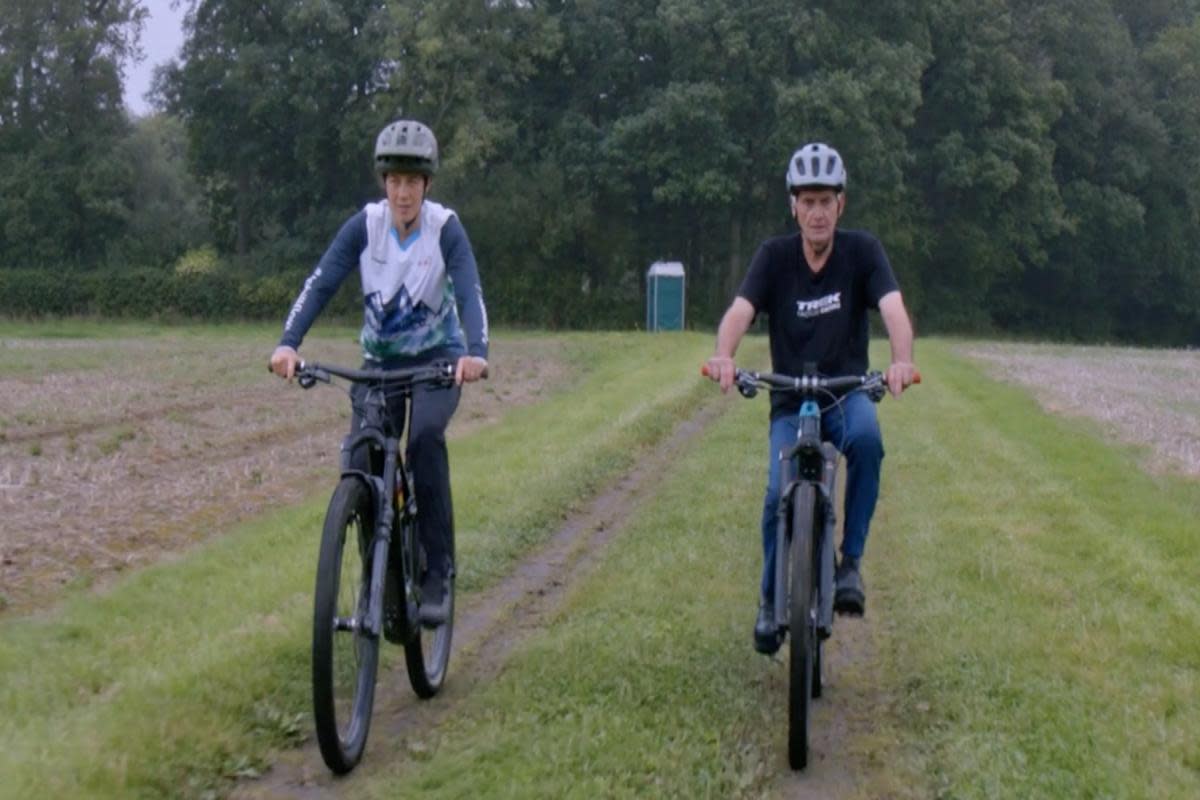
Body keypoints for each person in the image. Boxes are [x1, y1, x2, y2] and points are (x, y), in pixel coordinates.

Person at [269, 119, 489, 626]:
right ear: (383, 183)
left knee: (426, 441)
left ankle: (437, 572)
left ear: (427, 185)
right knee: (363, 456)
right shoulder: (364, 227)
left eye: (413, 181)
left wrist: (475, 352)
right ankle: (378, 576)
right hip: (380, 365)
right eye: (394, 181)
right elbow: (321, 281)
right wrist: (288, 342)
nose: (403, 192)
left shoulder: (445, 229)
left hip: (437, 361)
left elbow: (470, 288)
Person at [704, 142, 917, 654]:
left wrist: (901, 360)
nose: (817, 212)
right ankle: (768, 602)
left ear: (841, 205)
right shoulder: (774, 257)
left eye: (826, 201)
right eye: (807, 201)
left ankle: (850, 566)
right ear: (793, 206)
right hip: (789, 399)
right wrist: (723, 355)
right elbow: (739, 310)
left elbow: (893, 307)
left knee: (867, 441)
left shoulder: (862, 251)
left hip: (846, 394)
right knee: (779, 491)